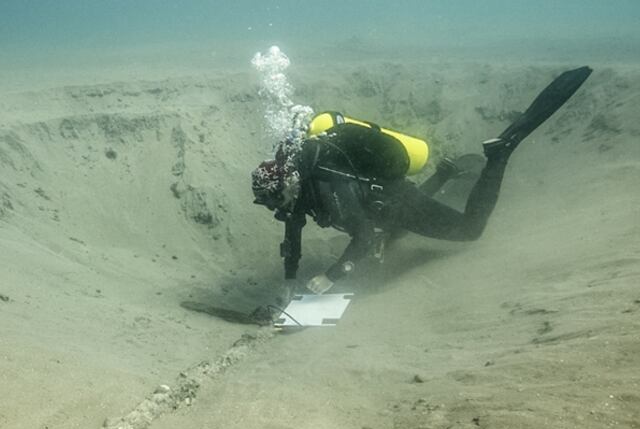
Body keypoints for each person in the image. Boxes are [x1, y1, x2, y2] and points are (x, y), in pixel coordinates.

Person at [251, 66, 593, 296]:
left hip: (397, 200)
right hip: (383, 201)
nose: (274, 210)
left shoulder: (326, 185)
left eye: (271, 201)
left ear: (285, 186)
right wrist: (289, 281)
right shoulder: (299, 187)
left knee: (469, 229)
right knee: (394, 229)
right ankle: (443, 175)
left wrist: (331, 276)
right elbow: (292, 231)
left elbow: (364, 235)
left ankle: (500, 154)